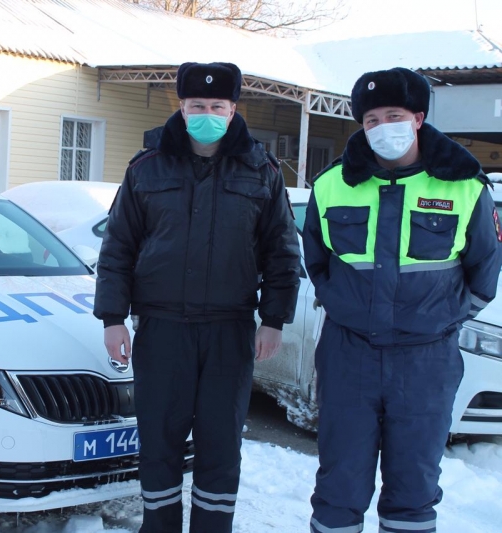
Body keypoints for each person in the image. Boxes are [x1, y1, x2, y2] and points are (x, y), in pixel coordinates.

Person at [93, 61, 300, 533]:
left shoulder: (261, 169)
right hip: (163, 329)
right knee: (160, 441)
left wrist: (274, 318)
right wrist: (112, 317)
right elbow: (118, 246)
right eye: (197, 105)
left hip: (229, 331)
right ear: (182, 108)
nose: (207, 112)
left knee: (220, 442)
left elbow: (282, 249)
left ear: (233, 110)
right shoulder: (147, 168)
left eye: (217, 106)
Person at [303, 67, 502, 533]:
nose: (382, 127)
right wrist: (342, 303)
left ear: (417, 117)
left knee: (413, 490)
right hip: (348, 356)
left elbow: (484, 273)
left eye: (393, 115)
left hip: (425, 361)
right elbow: (317, 260)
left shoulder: (464, 186)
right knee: (338, 486)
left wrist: (441, 320)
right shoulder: (331, 185)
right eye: (371, 119)